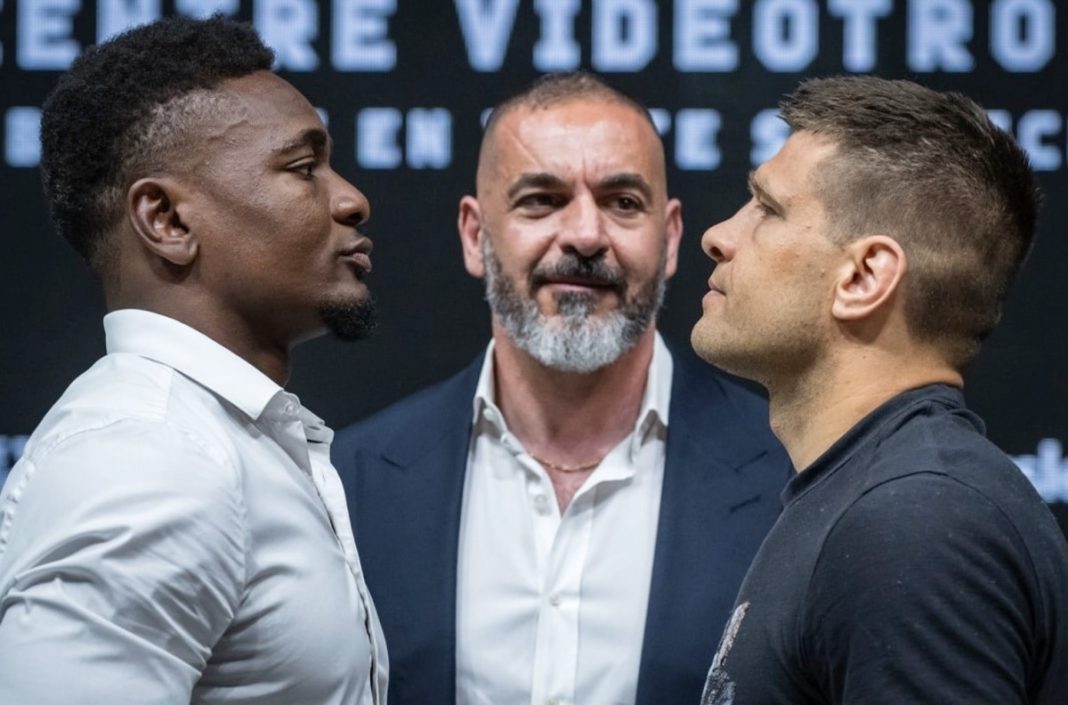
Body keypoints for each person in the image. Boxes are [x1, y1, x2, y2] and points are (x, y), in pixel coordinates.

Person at [332, 72, 791, 705]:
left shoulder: (791, 480)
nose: (584, 236)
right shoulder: (348, 485)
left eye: (623, 202)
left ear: (672, 237)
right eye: (541, 200)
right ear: (474, 234)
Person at [0, 16, 387, 705]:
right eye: (303, 169)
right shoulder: (149, 459)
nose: (352, 199)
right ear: (168, 221)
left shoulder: (221, 440)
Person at [691, 75, 1068, 705]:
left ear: (864, 277)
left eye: (768, 209)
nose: (720, 236)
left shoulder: (916, 526)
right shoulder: (874, 500)